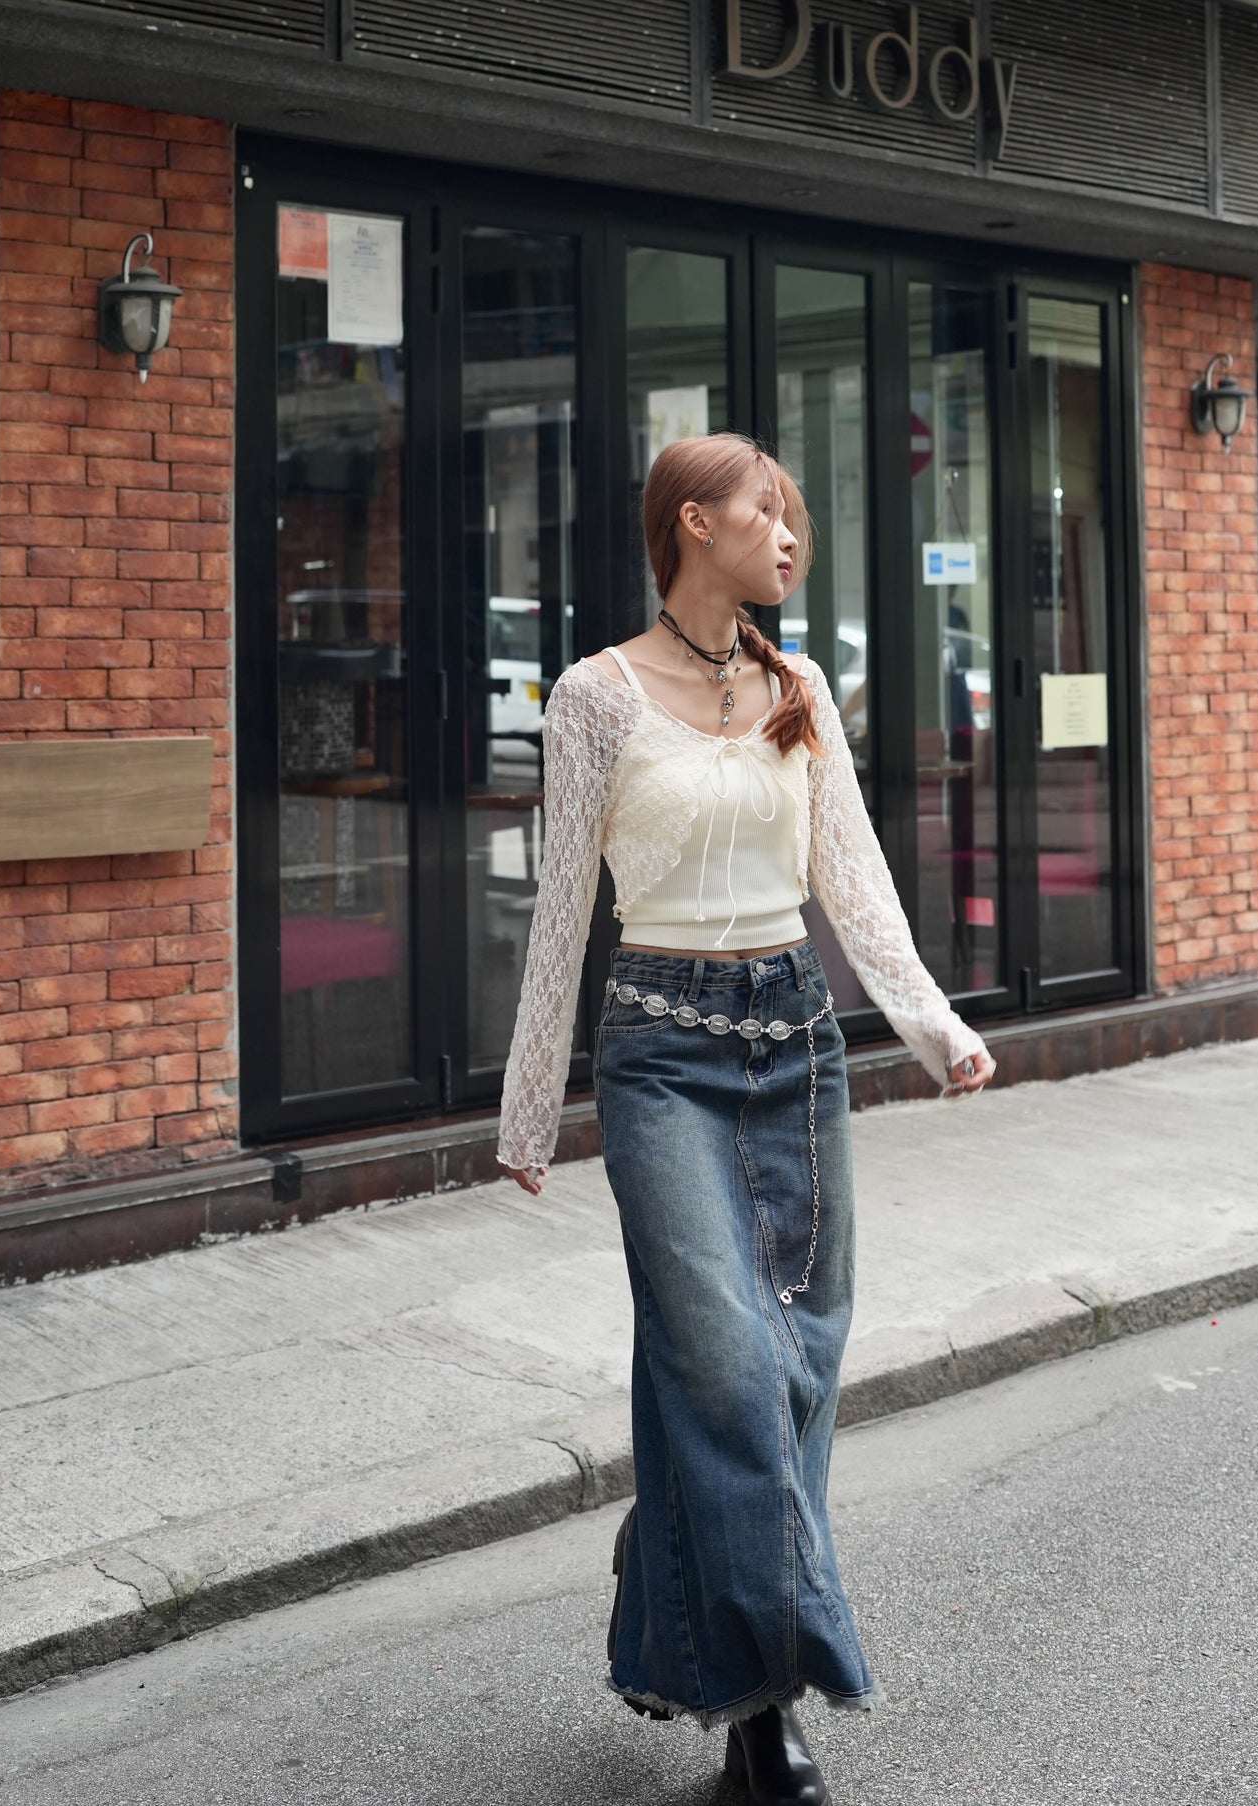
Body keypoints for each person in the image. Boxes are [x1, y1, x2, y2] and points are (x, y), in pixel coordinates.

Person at [496, 430, 996, 1806]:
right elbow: (560, 913)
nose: (788, 537)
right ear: (690, 522)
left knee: (798, 1366)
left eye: (792, 515)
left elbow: (854, 876)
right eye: (764, 513)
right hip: (658, 1051)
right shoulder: (594, 697)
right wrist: (529, 1107)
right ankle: (777, 1685)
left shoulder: (798, 686)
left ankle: (707, 1611)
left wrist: (933, 1025)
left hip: (795, 1041)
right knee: (723, 1365)